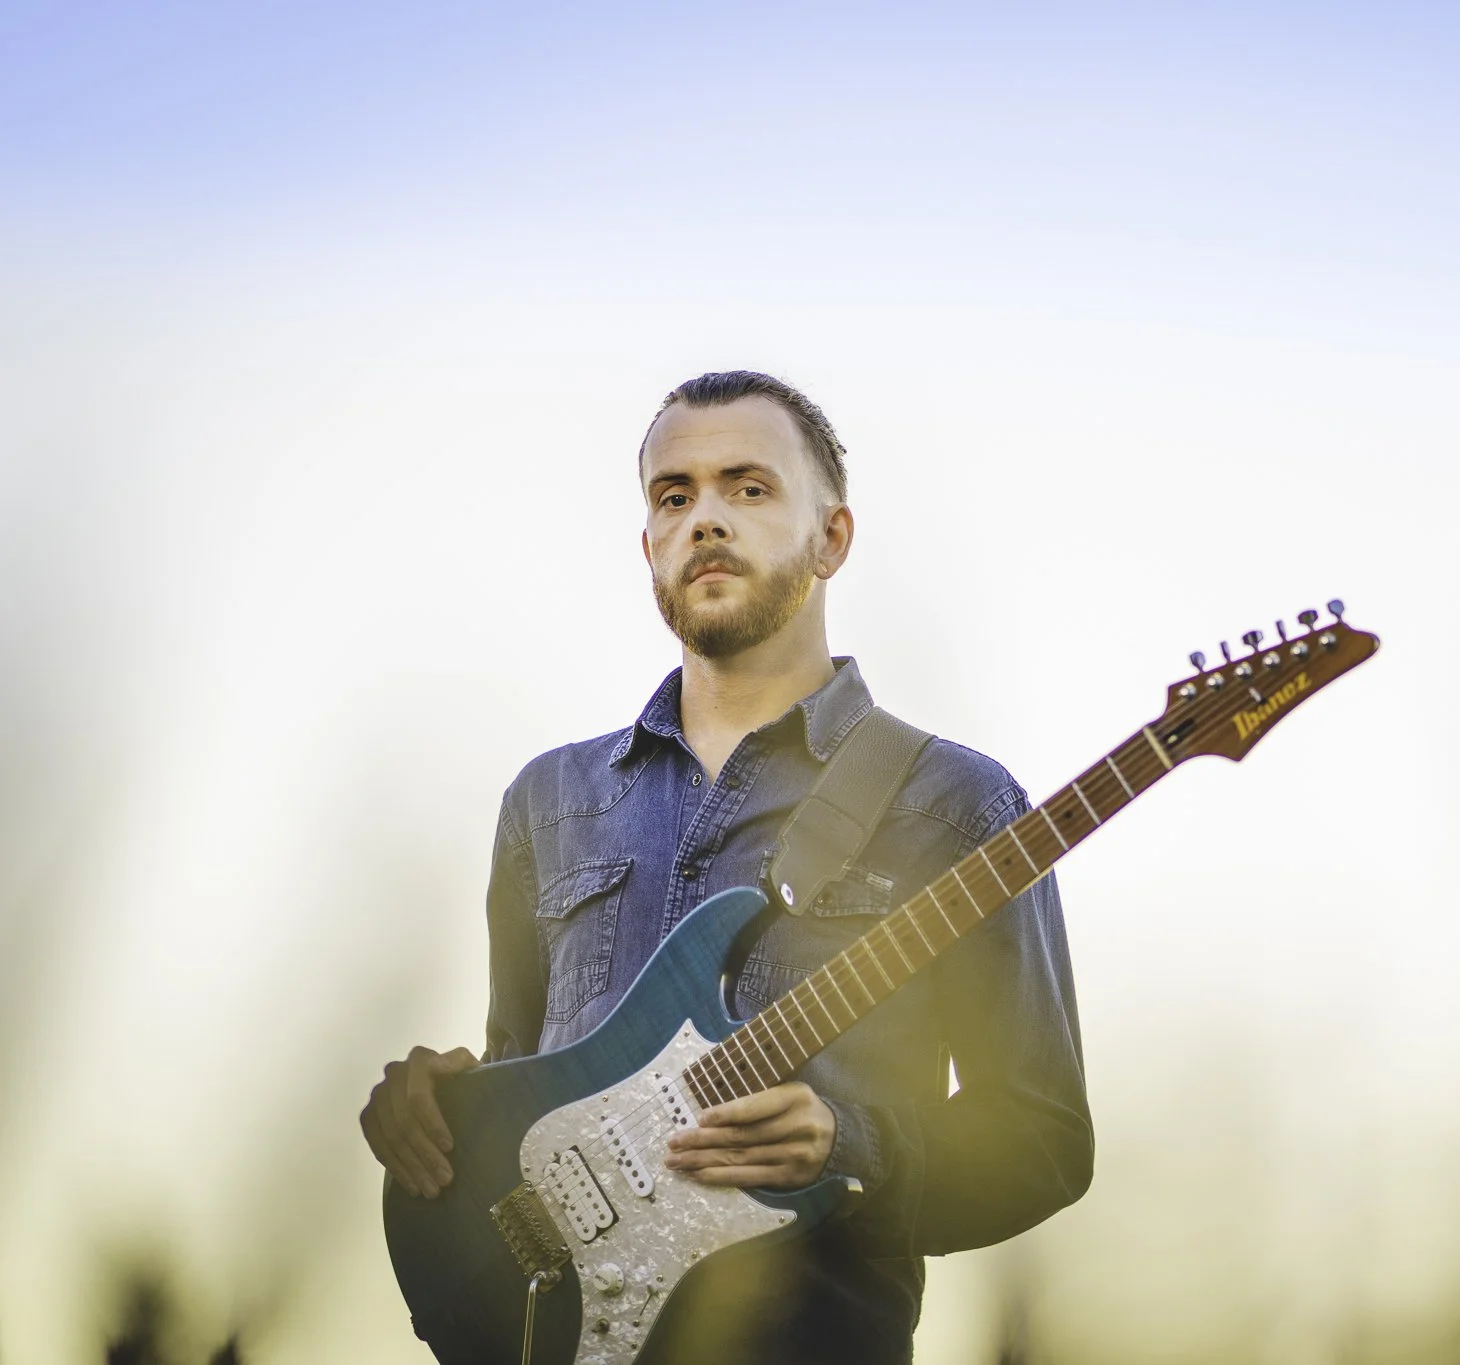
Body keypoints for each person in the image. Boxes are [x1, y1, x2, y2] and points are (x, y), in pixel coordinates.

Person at [359, 371, 1093, 1363]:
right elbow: (524, 1091)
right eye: (676, 496)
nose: (706, 518)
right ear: (649, 545)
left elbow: (1041, 1140)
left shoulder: (953, 803)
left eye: (748, 489)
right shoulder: (551, 802)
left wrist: (851, 1145)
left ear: (831, 537)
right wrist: (432, 1117)